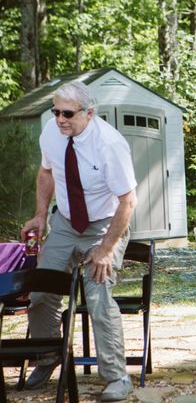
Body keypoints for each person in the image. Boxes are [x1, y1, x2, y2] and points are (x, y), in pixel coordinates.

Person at [21, 81, 137, 401]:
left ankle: (116, 377)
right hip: (65, 223)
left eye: (67, 113)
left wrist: (106, 249)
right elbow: (47, 172)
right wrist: (41, 215)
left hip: (104, 225)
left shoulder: (109, 144)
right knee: (40, 291)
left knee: (98, 299)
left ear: (88, 113)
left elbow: (128, 200)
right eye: (56, 111)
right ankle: (47, 356)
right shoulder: (51, 133)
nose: (60, 119)